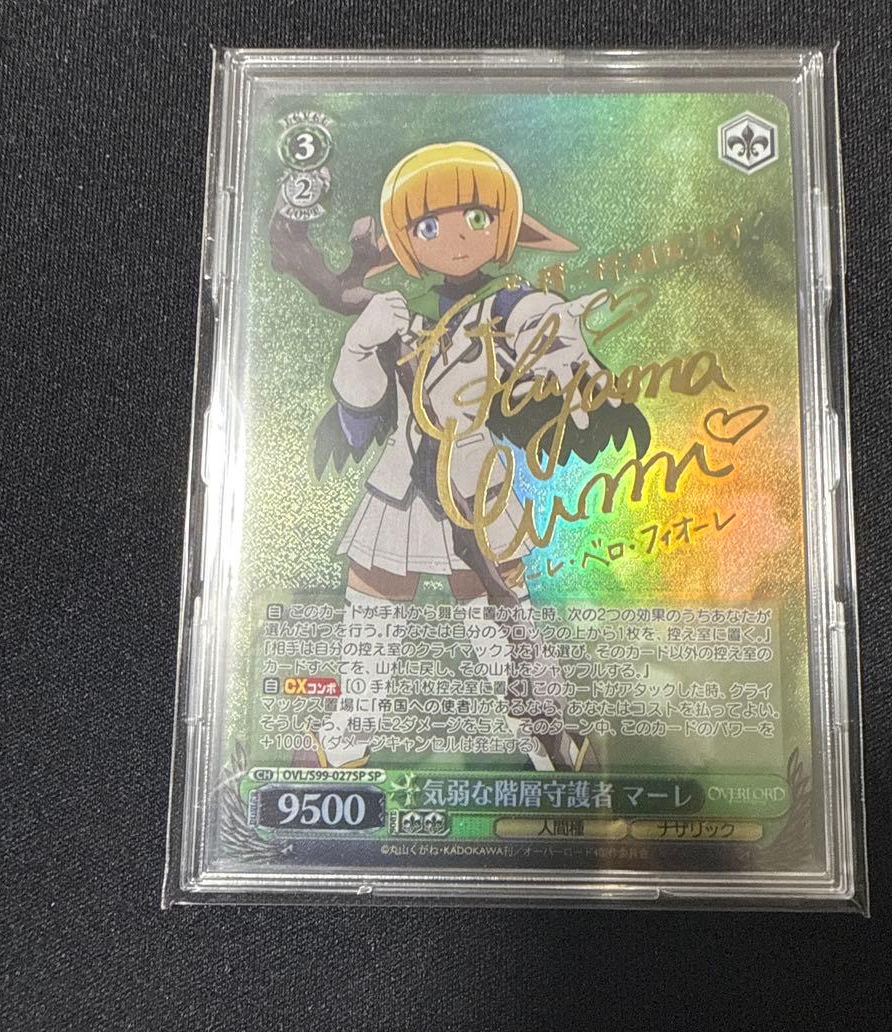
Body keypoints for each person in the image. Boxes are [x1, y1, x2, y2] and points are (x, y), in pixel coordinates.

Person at [271, 141, 648, 771]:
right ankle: (349, 734)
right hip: (401, 478)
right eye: (429, 225)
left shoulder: (509, 304)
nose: (457, 237)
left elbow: (543, 335)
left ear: (505, 227)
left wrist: (562, 345)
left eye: (477, 218)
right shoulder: (398, 311)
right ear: (406, 239)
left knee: (495, 603)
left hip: (471, 480)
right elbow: (361, 406)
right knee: (375, 590)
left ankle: (546, 734)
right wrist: (360, 347)